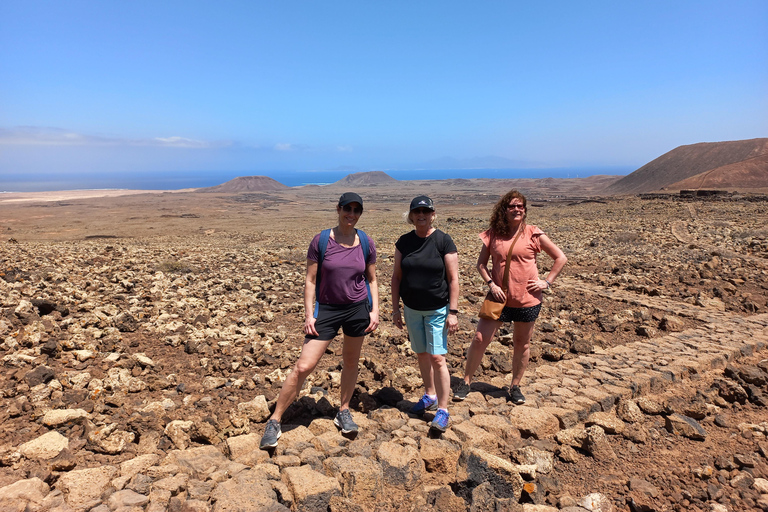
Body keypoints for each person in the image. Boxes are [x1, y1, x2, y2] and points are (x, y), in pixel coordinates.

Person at [260, 192, 379, 449]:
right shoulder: (322, 240)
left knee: (350, 361)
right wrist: (309, 314)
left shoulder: (366, 242)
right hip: (326, 310)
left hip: (357, 309)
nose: (351, 214)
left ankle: (344, 410)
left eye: (357, 210)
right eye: (347, 208)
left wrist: (375, 310)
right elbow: (310, 280)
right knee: (303, 366)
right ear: (338, 209)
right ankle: (275, 419)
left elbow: (371, 279)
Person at [453, 190, 567, 405]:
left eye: (520, 206)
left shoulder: (534, 233)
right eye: (512, 206)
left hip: (527, 299)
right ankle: (466, 381)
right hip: (498, 297)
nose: (517, 210)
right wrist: (491, 284)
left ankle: (515, 386)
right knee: (480, 339)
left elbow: (560, 257)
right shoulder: (493, 234)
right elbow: (481, 264)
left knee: (521, 344)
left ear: (524, 210)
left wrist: (547, 282)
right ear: (504, 210)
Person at [391, 195, 459, 432]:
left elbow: (453, 279)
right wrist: (395, 309)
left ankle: (443, 409)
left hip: (437, 309)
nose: (421, 216)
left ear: (433, 215)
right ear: (411, 216)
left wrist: (453, 311)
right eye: (417, 212)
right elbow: (396, 277)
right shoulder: (404, 242)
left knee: (437, 358)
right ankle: (429, 395)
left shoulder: (443, 241)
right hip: (411, 309)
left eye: (426, 212)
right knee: (421, 353)